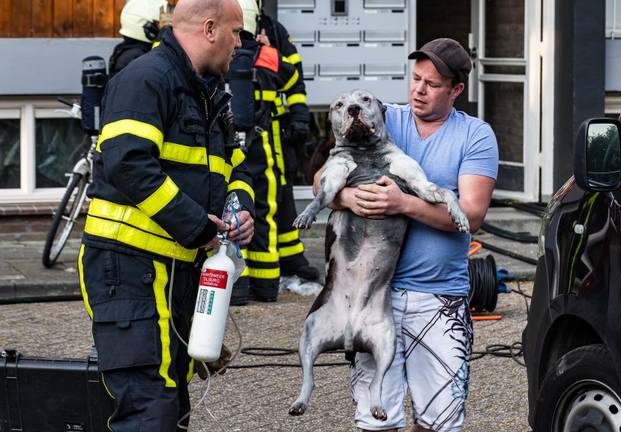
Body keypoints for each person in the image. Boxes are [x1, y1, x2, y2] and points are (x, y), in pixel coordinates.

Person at [77, 0, 255, 430]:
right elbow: (127, 163)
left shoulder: (207, 91)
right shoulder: (145, 80)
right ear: (210, 29)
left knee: (172, 402)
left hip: (176, 269)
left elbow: (235, 167)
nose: (240, 44)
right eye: (236, 33)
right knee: (149, 407)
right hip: (128, 268)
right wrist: (198, 228)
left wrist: (240, 209)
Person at [318, 38, 498, 431]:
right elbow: (321, 178)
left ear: (456, 90)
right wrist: (348, 196)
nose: (418, 90)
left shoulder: (475, 136)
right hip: (372, 299)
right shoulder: (383, 118)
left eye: (432, 85)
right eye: (415, 79)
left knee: (440, 422)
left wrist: (403, 204)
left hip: (439, 299)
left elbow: (471, 214)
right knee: (376, 421)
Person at [254, 0, 319, 281]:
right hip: (255, 130)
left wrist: (300, 119)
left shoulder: (274, 30)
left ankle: (291, 256)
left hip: (278, 129)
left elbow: (295, 79)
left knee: (283, 193)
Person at [108, 0, 167, 78]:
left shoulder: (134, 52)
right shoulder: (134, 58)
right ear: (149, 28)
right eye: (160, 24)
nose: (167, 29)